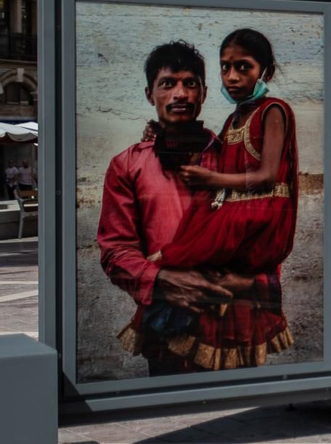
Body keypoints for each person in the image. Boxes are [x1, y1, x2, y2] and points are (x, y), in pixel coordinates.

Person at [146, 29, 301, 370]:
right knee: (200, 221)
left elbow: (267, 175)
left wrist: (211, 179)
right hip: (238, 206)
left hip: (260, 211)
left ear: (266, 72)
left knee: (191, 247)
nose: (232, 77)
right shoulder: (234, 119)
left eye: (243, 67)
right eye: (225, 67)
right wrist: (159, 135)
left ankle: (167, 259)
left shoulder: (273, 110)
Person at [97, 41, 245, 375]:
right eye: (168, 84)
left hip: (231, 322)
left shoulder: (234, 161)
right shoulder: (127, 165)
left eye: (189, 84)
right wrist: (162, 280)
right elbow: (115, 251)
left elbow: (261, 235)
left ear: (204, 93)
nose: (180, 94)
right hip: (166, 329)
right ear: (150, 94)